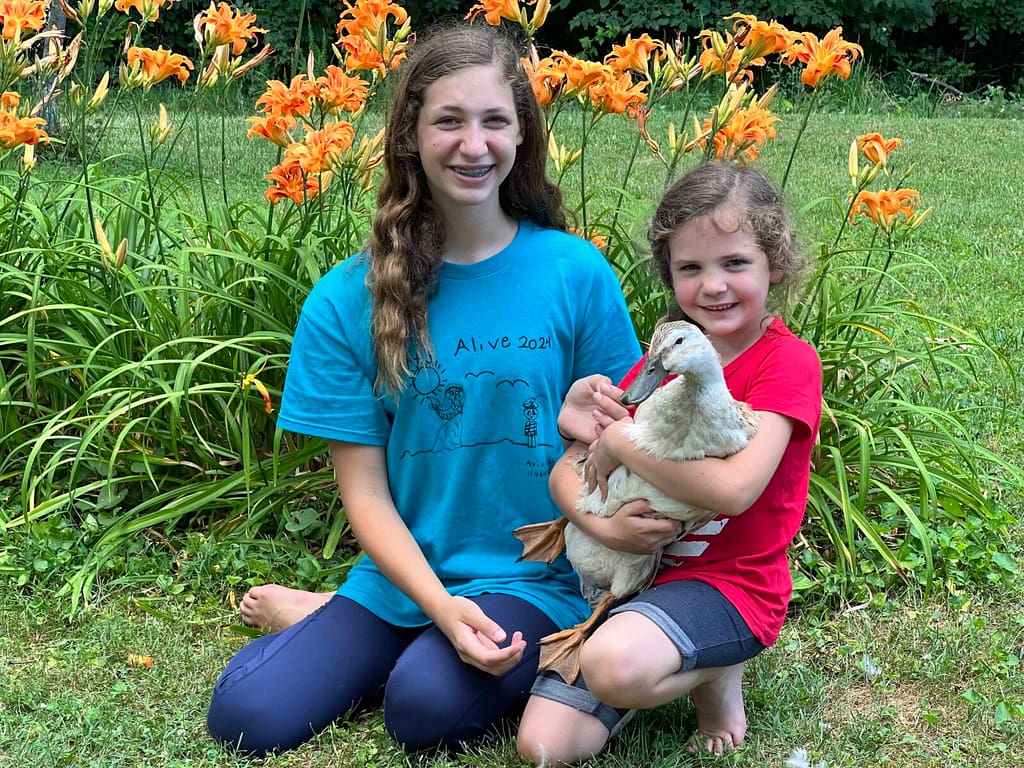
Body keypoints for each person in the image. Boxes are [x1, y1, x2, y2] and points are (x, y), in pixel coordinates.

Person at [205, 21, 641, 757]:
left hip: (538, 582)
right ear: (410, 133)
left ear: (522, 135)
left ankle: (368, 637)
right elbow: (367, 495)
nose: (474, 145)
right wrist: (438, 605)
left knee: (422, 708)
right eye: (449, 120)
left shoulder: (575, 273)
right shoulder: (347, 298)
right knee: (246, 715)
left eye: (495, 121)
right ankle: (346, 619)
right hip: (407, 578)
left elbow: (621, 438)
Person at [516, 160, 823, 765]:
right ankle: (649, 649)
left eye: (735, 263)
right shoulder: (659, 365)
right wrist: (604, 526)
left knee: (612, 664)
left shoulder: (786, 364)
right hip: (637, 575)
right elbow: (567, 471)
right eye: (691, 268)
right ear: (670, 275)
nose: (713, 286)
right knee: (545, 749)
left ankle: (717, 669)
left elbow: (733, 491)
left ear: (775, 264)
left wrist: (626, 444)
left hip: (729, 585)